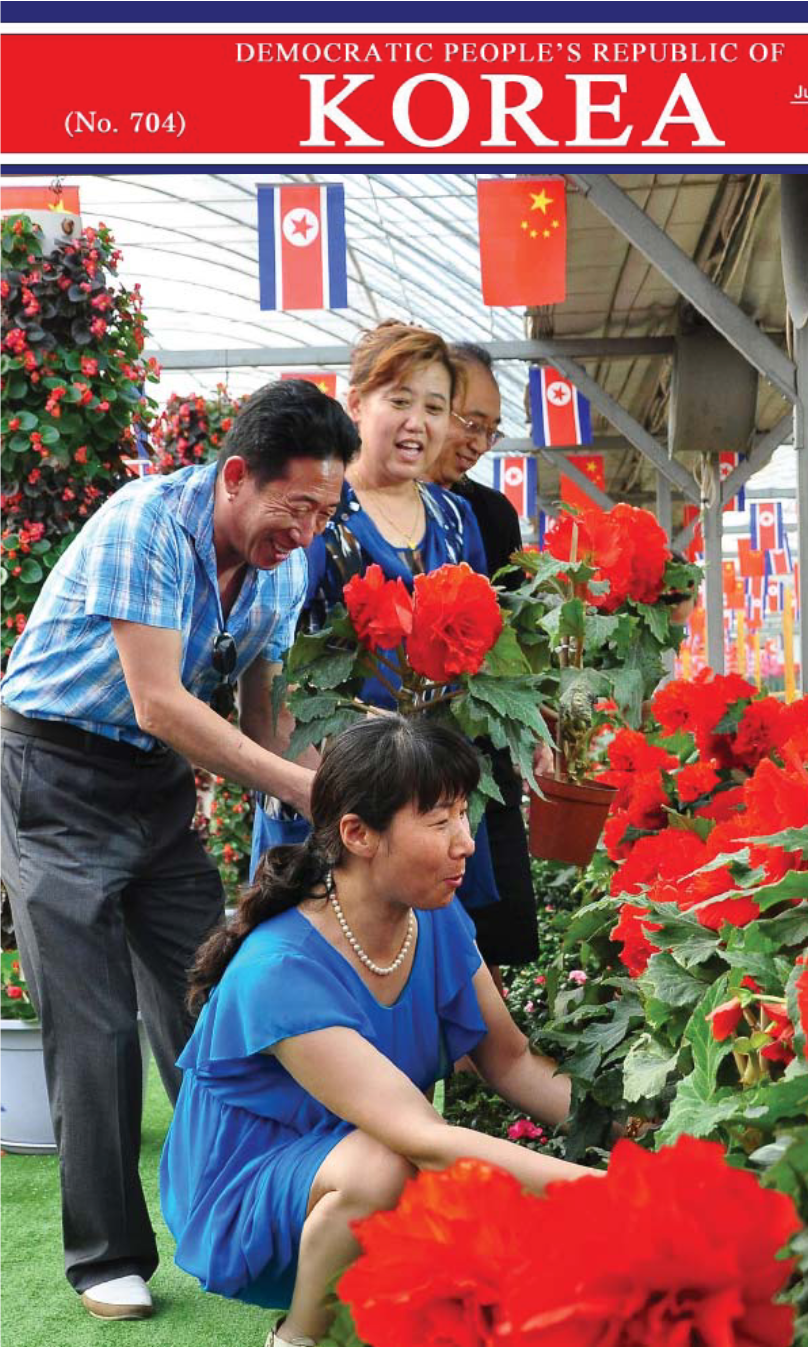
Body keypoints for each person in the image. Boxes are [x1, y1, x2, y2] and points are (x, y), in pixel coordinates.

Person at [0, 378, 357, 1321]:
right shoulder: (145, 522)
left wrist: (343, 792)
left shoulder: (279, 568)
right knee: (94, 1019)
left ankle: (244, 1207)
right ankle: (104, 1256)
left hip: (157, 786)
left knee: (216, 988)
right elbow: (158, 698)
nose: (308, 531)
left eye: (325, 512)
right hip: (53, 768)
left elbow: (268, 719)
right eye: (296, 506)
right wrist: (300, 789)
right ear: (236, 476)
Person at [161, 715, 593, 1347]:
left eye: (463, 815)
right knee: (390, 1163)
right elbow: (424, 1139)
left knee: (394, 1166)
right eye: (439, 820)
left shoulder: (434, 918)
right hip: (245, 1195)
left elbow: (512, 1062)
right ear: (358, 835)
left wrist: (636, 1131)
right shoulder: (279, 969)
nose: (465, 842)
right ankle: (298, 1338)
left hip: (358, 1155)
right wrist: (616, 1193)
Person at [251, 322, 497, 917]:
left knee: (436, 960)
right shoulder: (321, 517)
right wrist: (329, 797)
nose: (419, 422)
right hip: (340, 790)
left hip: (438, 790)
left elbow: (487, 646)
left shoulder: (456, 518)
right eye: (400, 400)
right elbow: (274, 670)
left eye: (436, 407)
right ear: (356, 404)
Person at [428, 342, 542, 978]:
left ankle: (482, 1070)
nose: (476, 441)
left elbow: (514, 638)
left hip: (480, 751)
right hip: (402, 754)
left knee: (485, 944)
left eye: (490, 431)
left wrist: (532, 721)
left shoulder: (489, 515)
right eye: (469, 422)